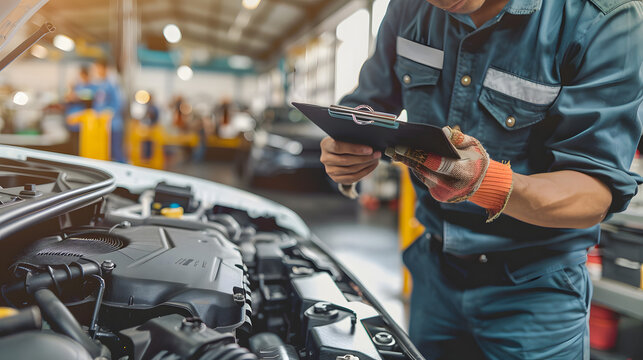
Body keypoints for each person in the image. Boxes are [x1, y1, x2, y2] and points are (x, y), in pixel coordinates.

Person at [320, 0, 643, 359]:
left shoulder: (599, 20)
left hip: (535, 289)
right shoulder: (409, 8)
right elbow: (370, 106)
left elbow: (593, 192)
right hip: (434, 273)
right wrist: (346, 148)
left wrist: (486, 183)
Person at [92, 60, 125, 162]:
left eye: (98, 68)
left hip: (113, 125)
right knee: (105, 153)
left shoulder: (112, 84)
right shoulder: (100, 85)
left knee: (115, 152)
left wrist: (108, 113)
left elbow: (119, 103)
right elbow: (98, 104)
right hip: (102, 126)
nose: (97, 71)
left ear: (105, 68)